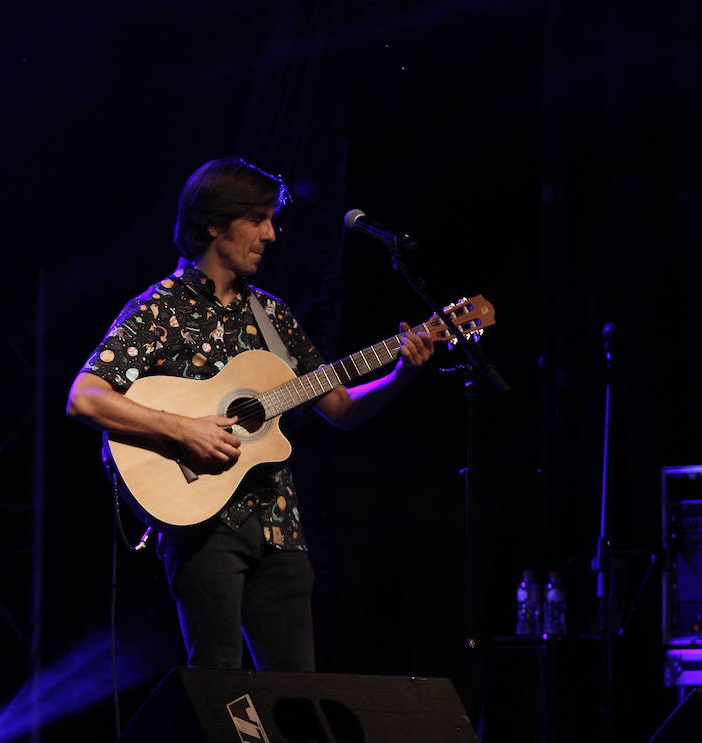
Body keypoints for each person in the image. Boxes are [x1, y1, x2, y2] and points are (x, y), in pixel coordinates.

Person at [66, 158, 434, 672]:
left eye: (272, 220)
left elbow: (341, 408)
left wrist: (402, 373)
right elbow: (86, 397)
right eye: (258, 219)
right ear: (215, 223)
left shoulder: (274, 315)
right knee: (223, 695)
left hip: (281, 527)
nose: (271, 234)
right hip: (202, 526)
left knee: (298, 697)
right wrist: (185, 427)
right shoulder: (158, 308)